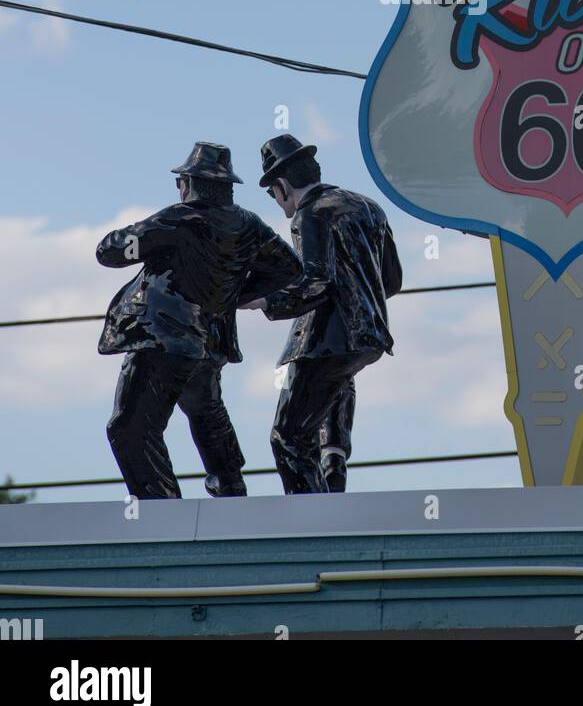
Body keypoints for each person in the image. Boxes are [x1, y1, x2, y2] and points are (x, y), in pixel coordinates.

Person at [97, 141, 302, 500]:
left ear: (189, 183)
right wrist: (233, 294)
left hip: (163, 337)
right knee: (205, 413)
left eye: (180, 182)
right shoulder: (249, 224)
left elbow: (111, 251)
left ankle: (160, 505)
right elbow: (289, 268)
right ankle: (230, 488)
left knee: (131, 427)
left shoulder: (179, 219)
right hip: (208, 343)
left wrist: (140, 231)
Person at [244, 134, 402, 495]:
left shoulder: (309, 215)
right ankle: (333, 465)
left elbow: (317, 282)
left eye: (271, 194)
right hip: (369, 337)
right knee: (333, 391)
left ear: (282, 186)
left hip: (325, 340)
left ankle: (312, 513)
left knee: (288, 437)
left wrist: (267, 300)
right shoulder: (369, 207)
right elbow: (391, 281)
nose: (276, 202)